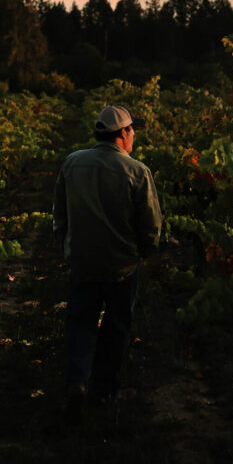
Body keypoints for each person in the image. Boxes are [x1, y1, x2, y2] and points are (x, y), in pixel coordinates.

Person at [53, 104, 163, 424]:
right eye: (133, 131)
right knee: (116, 327)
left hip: (82, 263)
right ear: (123, 134)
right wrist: (145, 252)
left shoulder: (72, 163)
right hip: (121, 267)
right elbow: (151, 226)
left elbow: (60, 215)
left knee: (80, 322)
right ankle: (106, 392)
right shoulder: (138, 171)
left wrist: (67, 248)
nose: (134, 136)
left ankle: (76, 383)